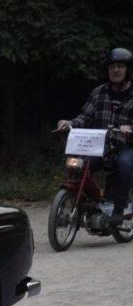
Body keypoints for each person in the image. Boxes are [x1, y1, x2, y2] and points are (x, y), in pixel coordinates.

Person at [57, 47, 133, 227]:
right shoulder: (99, 92)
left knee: (124, 163)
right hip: (101, 147)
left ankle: (119, 209)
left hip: (127, 146)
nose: (116, 70)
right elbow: (85, 116)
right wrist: (70, 122)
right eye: (112, 67)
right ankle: (86, 202)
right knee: (79, 164)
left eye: (120, 66)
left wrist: (130, 128)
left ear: (128, 70)